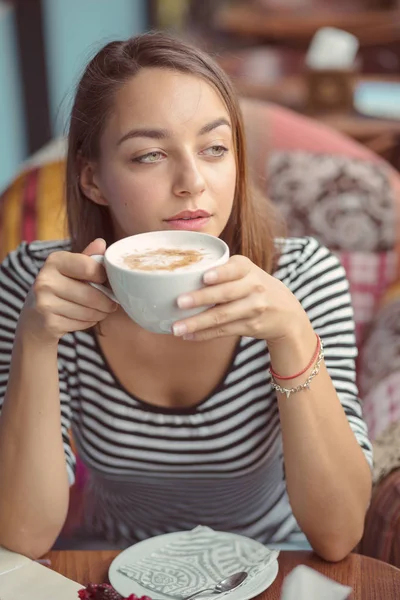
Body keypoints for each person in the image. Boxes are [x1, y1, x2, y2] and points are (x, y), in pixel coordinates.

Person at [0, 31, 372, 561]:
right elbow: (21, 537)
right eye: (150, 155)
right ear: (92, 180)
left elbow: (338, 536)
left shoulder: (305, 276)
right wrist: (36, 341)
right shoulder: (39, 285)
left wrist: (291, 333)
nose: (193, 181)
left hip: (276, 560)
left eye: (215, 148)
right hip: (110, 563)